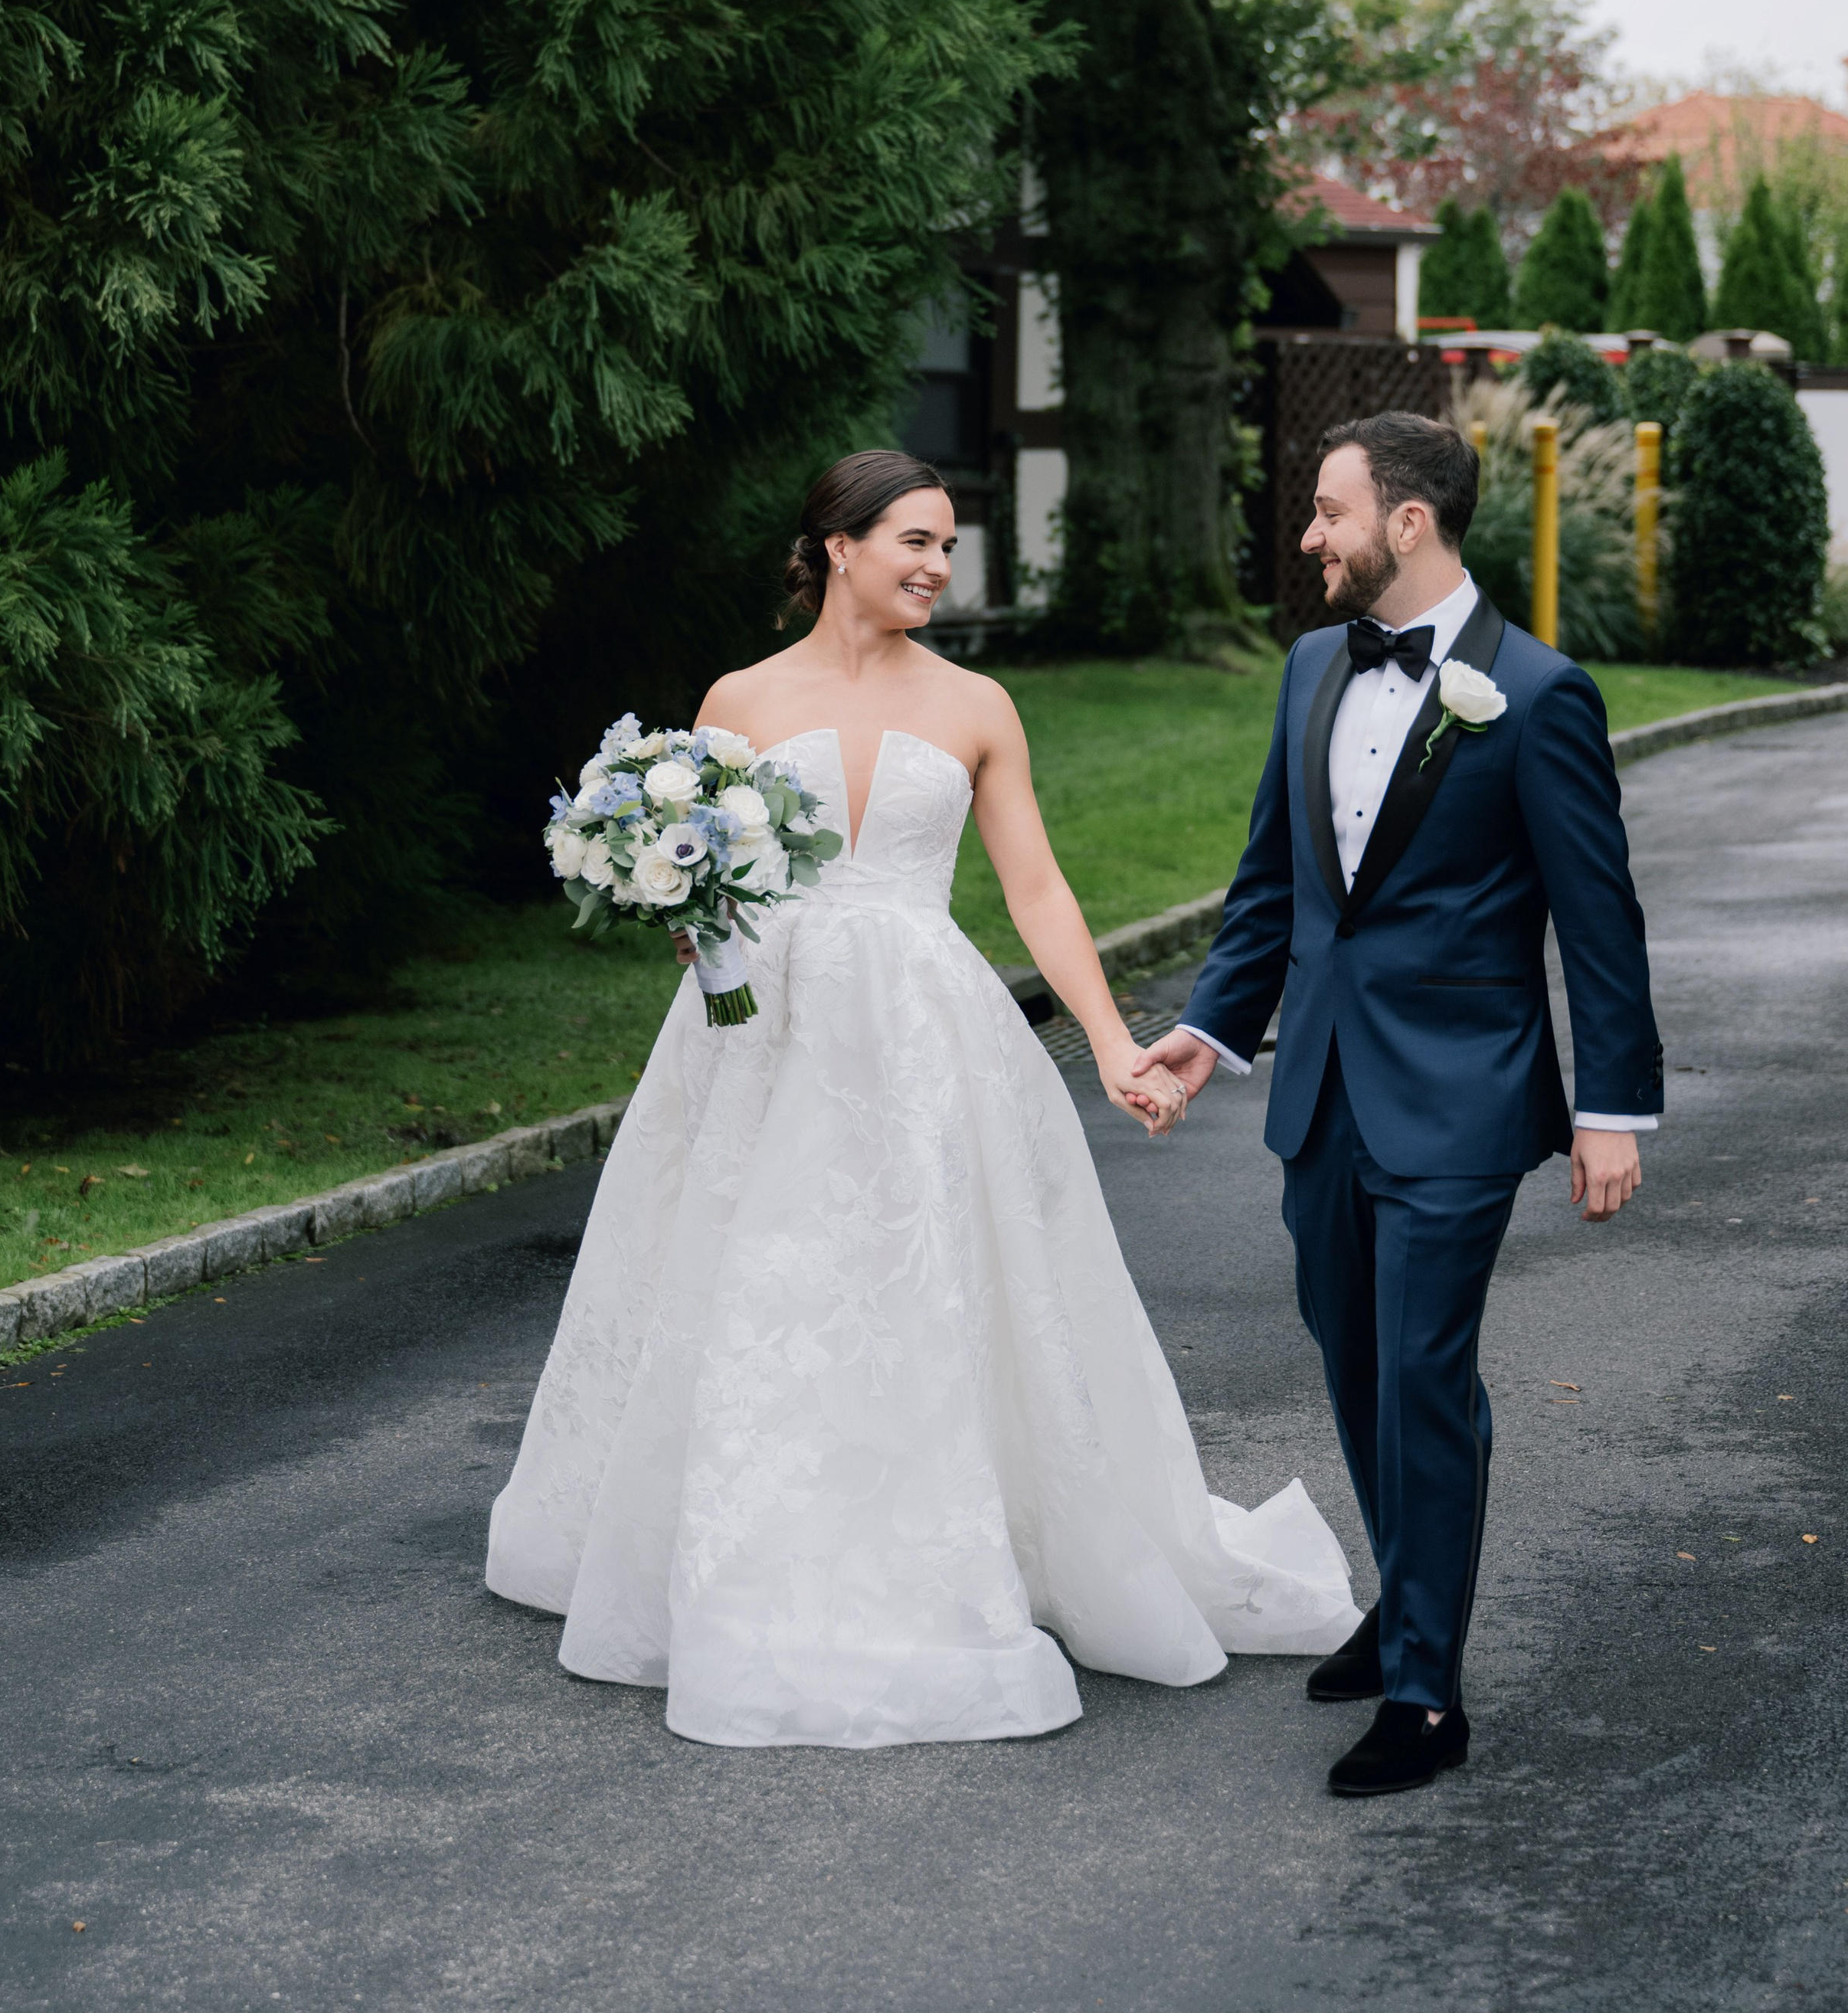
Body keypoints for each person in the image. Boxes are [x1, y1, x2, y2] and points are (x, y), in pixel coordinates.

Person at [486, 448, 1358, 1746]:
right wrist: (683, 912)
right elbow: (704, 867)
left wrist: (1116, 1043)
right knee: (749, 1273)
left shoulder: (976, 706)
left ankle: (940, 1543)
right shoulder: (739, 696)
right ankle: (742, 1546)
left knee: (927, 1278)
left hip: (919, 1031)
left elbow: (1039, 891)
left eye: (949, 547)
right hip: (759, 1032)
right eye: (914, 541)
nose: (938, 568)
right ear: (837, 544)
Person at [1140, 410, 1661, 1797]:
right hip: (1320, 1085)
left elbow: (1597, 923)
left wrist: (1612, 1107)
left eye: (1328, 511)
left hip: (1461, 1099)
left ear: (1409, 522)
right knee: (1351, 1353)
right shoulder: (1315, 664)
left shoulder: (1539, 696)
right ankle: (1405, 1594)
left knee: (1423, 1375)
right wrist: (1208, 1028)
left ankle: (1427, 1694)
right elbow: (1274, 888)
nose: (1310, 535)